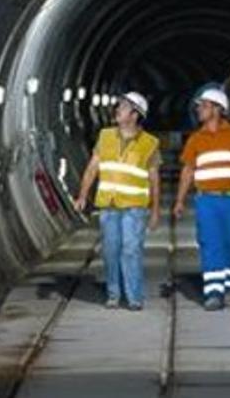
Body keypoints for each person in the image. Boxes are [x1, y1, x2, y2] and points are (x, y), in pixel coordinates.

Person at [172, 86, 230, 311]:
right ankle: (213, 292)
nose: (199, 109)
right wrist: (180, 200)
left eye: (204, 105)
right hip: (206, 200)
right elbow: (188, 170)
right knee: (211, 244)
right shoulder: (196, 139)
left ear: (218, 109)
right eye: (199, 106)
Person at [74, 91, 161, 310]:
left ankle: (134, 298)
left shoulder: (150, 143)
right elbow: (93, 167)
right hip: (109, 206)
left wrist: (155, 210)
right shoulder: (105, 136)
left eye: (122, 107)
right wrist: (83, 194)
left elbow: (154, 178)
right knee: (111, 251)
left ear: (134, 115)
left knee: (131, 250)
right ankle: (114, 293)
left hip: (134, 207)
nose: (117, 110)